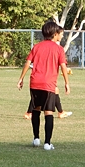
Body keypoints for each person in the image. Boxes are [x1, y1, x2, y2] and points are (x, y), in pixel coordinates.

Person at [17, 21, 70, 150]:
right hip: (49, 84)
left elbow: (27, 63)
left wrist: (21, 78)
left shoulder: (37, 47)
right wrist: (67, 83)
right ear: (54, 34)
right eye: (59, 33)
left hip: (34, 82)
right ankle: (47, 143)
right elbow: (63, 66)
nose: (60, 35)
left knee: (36, 109)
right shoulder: (58, 49)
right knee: (48, 112)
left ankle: (36, 139)